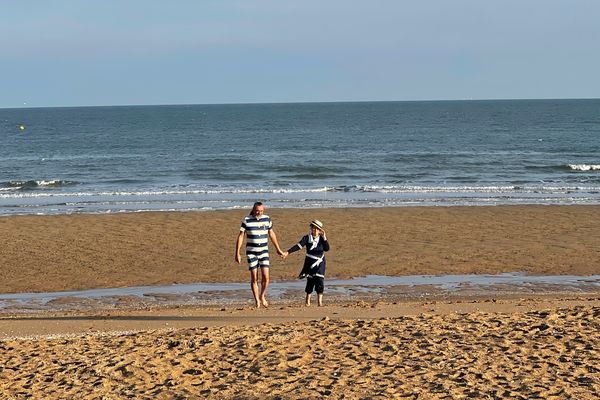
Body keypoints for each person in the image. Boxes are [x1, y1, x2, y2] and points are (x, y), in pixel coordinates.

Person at [235, 202, 284, 308]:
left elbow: (271, 234)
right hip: (251, 252)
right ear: (253, 210)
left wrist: (278, 249)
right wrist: (237, 253)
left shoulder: (267, 219)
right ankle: (256, 299)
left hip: (264, 251)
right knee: (254, 277)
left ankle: (262, 296)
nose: (259, 213)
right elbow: (241, 236)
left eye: (261, 211)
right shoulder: (246, 220)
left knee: (266, 277)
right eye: (257, 211)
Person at [282, 219, 330, 307]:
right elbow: (298, 246)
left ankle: (320, 302)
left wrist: (325, 237)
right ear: (311, 228)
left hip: (320, 262)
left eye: (317, 229)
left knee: (319, 280)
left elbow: (327, 249)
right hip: (309, 262)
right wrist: (288, 252)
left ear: (320, 231)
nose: (314, 230)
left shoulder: (322, 239)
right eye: (313, 228)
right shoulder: (307, 238)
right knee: (310, 281)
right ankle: (307, 301)